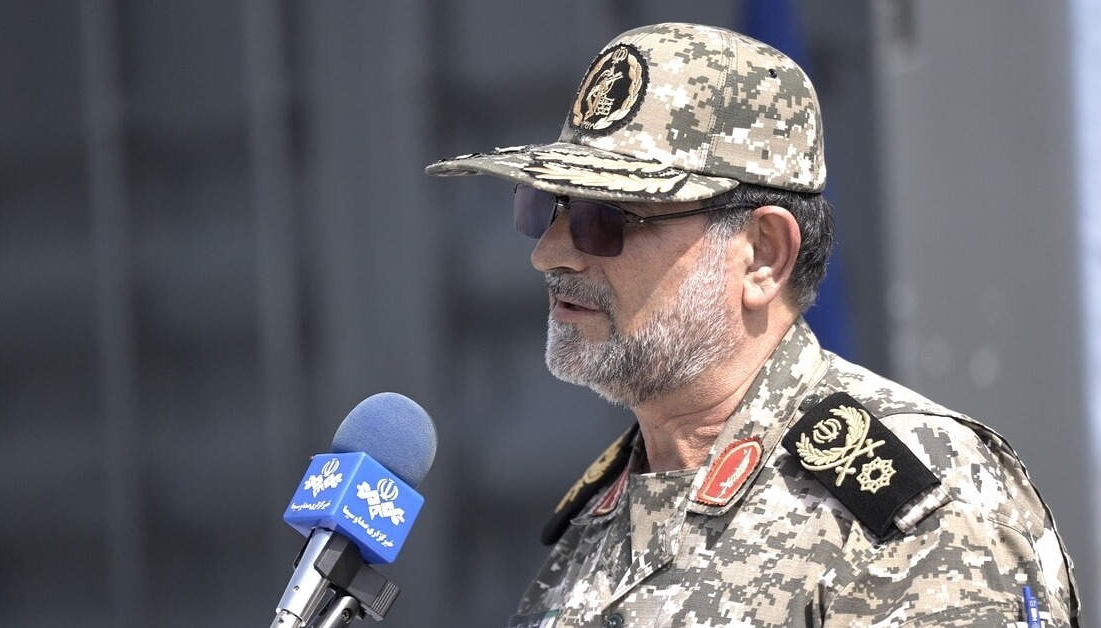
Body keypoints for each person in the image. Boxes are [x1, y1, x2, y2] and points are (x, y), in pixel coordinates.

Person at [426, 22, 1081, 627]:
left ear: (763, 254)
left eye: (607, 218)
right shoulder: (594, 527)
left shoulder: (914, 511)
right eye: (546, 205)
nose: (548, 253)